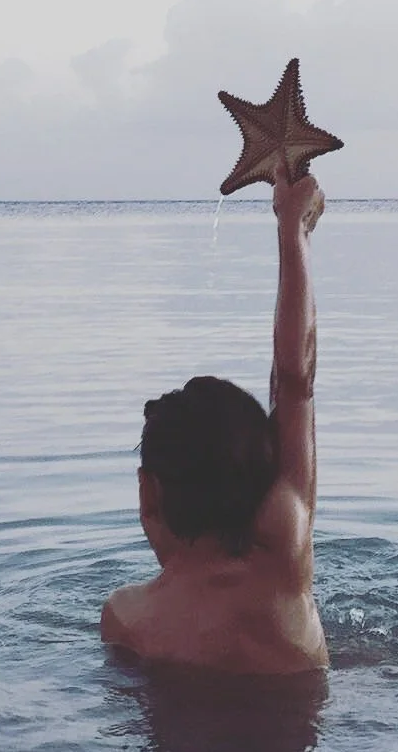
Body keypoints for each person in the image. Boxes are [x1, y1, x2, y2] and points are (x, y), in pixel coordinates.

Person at [101, 172, 328, 673]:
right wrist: (294, 229)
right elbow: (295, 383)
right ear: (267, 481)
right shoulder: (283, 568)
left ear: (147, 491)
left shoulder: (125, 618)